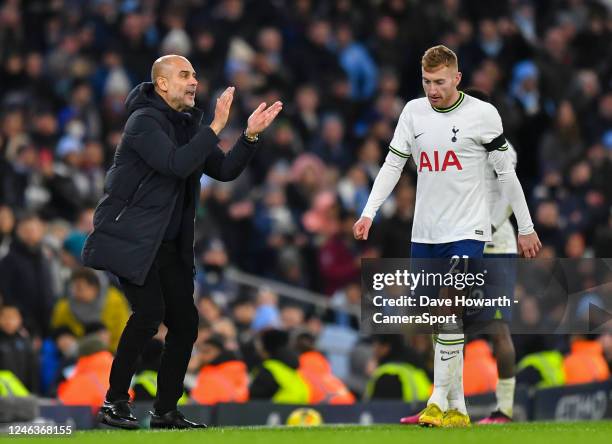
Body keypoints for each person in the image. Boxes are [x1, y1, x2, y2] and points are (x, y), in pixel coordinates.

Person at [82, 54, 282, 430]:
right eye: (185, 75)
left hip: (169, 244)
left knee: (186, 322)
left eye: (195, 75)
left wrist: (249, 135)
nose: (194, 81)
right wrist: (217, 125)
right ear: (162, 84)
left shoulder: (189, 123)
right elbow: (175, 163)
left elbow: (222, 169)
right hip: (131, 240)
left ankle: (165, 411)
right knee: (148, 314)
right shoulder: (143, 122)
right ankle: (113, 402)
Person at [353, 45, 541, 427]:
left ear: (457, 78)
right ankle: (458, 408)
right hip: (426, 231)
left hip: (472, 232)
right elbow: (393, 164)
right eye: (426, 82)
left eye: (440, 82)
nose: (432, 89)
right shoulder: (412, 112)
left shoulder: (484, 117)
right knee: (438, 319)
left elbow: (507, 178)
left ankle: (443, 401)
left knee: (462, 311)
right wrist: (368, 212)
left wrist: (526, 227)